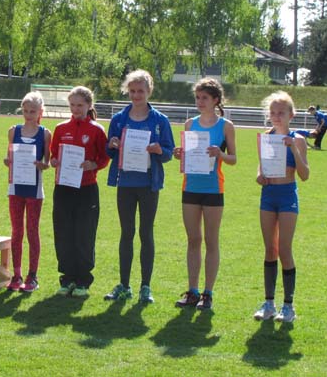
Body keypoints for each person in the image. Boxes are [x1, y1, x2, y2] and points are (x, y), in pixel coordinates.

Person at [104, 70, 174, 304]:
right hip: (125, 183)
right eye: (132, 91)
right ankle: (124, 285)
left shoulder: (160, 120)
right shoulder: (119, 119)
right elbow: (109, 151)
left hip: (148, 185)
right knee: (126, 233)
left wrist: (159, 150)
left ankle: (146, 286)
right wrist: (112, 144)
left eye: (140, 91)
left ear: (149, 91)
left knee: (146, 233)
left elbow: (168, 153)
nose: (136, 95)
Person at [173, 78, 237, 311]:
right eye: (197, 97)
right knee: (193, 240)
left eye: (205, 98)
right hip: (190, 187)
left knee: (211, 241)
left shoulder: (226, 126)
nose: (200, 102)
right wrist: (179, 154)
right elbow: (186, 154)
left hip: (213, 189)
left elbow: (233, 159)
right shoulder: (190, 124)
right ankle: (192, 291)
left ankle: (207, 294)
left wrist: (220, 153)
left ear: (215, 100)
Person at [253, 91, 309, 323]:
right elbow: (261, 168)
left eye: (281, 113)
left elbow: (305, 174)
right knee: (270, 249)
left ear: (291, 115)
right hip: (268, 195)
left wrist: (293, 148)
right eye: (273, 113)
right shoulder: (266, 137)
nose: (276, 117)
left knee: (285, 249)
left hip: (287, 195)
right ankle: (268, 303)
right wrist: (259, 176)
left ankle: (288, 306)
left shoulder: (298, 140)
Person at [50, 86, 109, 297]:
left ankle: (83, 280)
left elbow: (104, 157)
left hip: (86, 189)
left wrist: (93, 165)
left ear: (89, 105)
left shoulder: (97, 130)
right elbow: (54, 155)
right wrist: (54, 161)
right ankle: (67, 279)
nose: (76, 109)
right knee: (63, 233)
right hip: (63, 188)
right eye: (73, 105)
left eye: (80, 105)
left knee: (84, 234)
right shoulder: (60, 128)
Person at [3, 91, 52, 292]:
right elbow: (9, 157)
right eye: (25, 111)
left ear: (40, 111)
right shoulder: (13, 131)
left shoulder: (45, 134)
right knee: (17, 231)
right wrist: (8, 161)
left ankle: (32, 276)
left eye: (33, 111)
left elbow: (47, 162)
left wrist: (42, 165)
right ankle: (16, 275)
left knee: (32, 231)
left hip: (34, 190)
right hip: (16, 188)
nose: (29, 115)